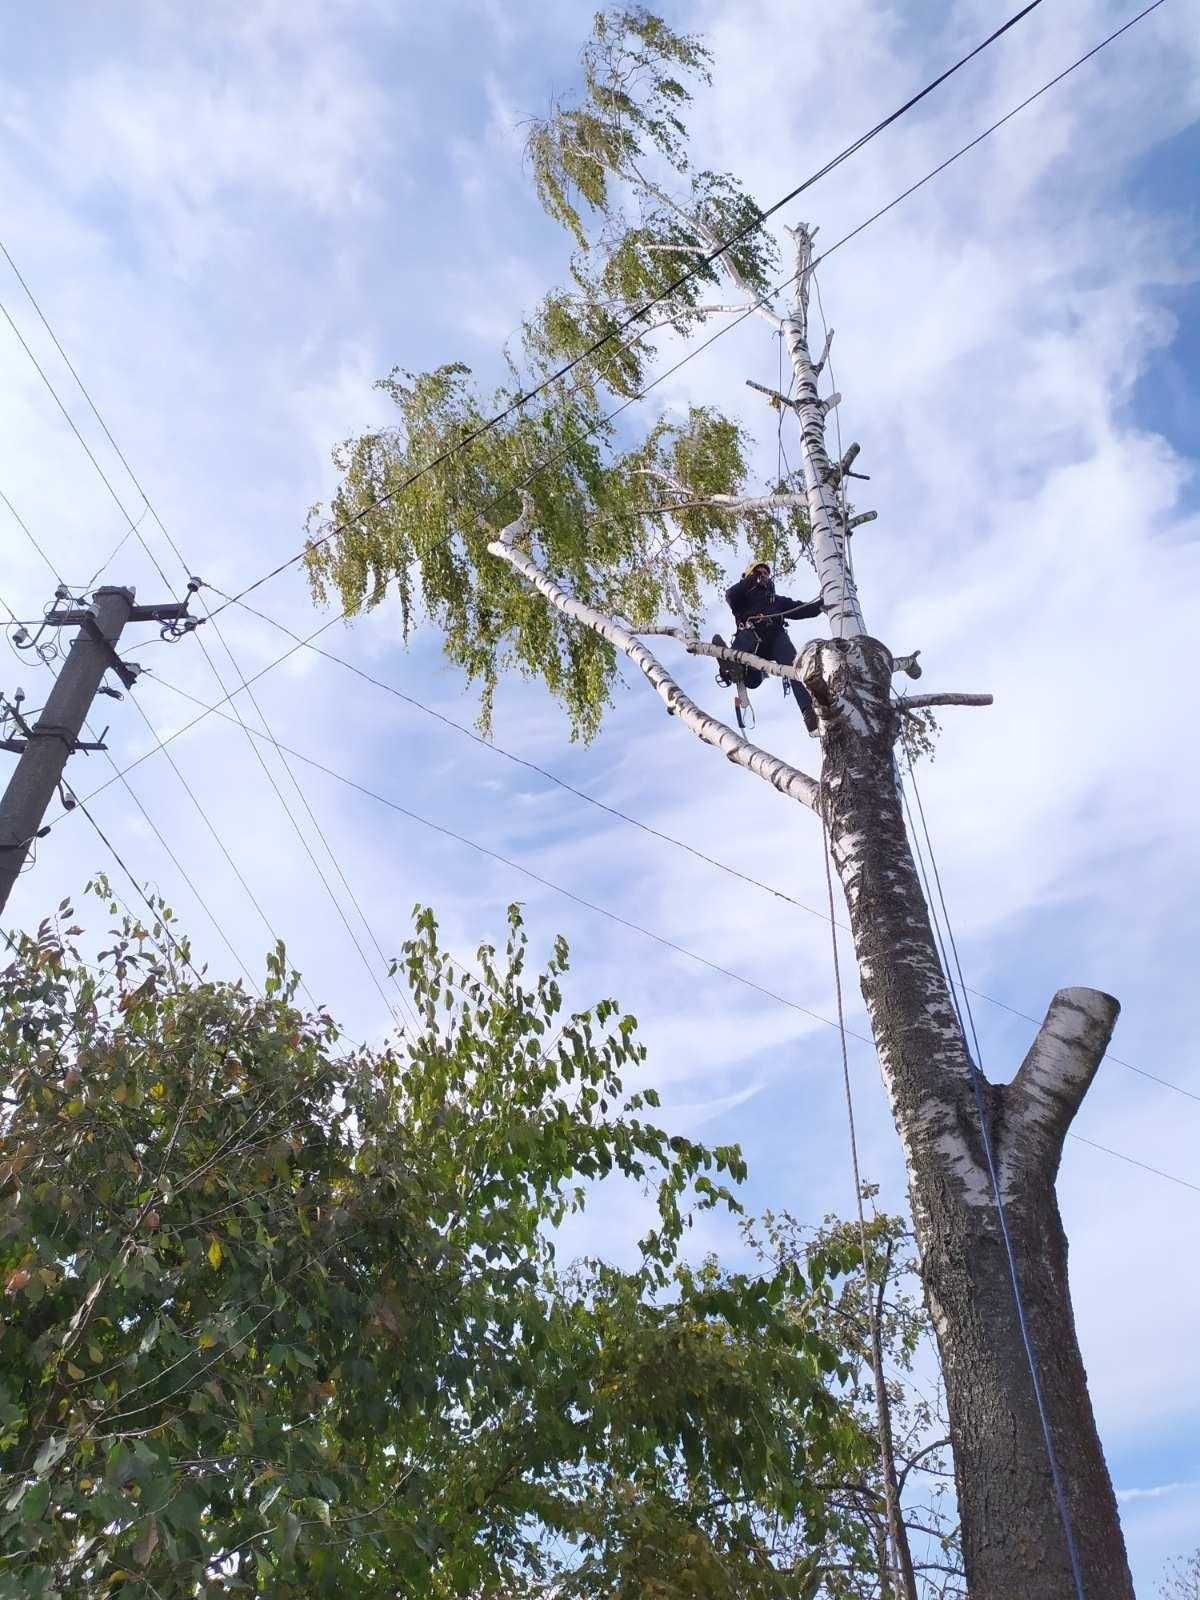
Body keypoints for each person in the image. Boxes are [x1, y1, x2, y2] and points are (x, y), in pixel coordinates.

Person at [719, 561, 822, 733]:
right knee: (751, 675)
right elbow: (730, 595)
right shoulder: (743, 597)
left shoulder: (775, 601)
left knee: (794, 667)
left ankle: (808, 711)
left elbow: (800, 608)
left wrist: (820, 605)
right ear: (750, 575)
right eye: (758, 572)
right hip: (751, 640)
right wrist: (750, 581)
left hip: (775, 638)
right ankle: (731, 668)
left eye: (766, 573)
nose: (763, 575)